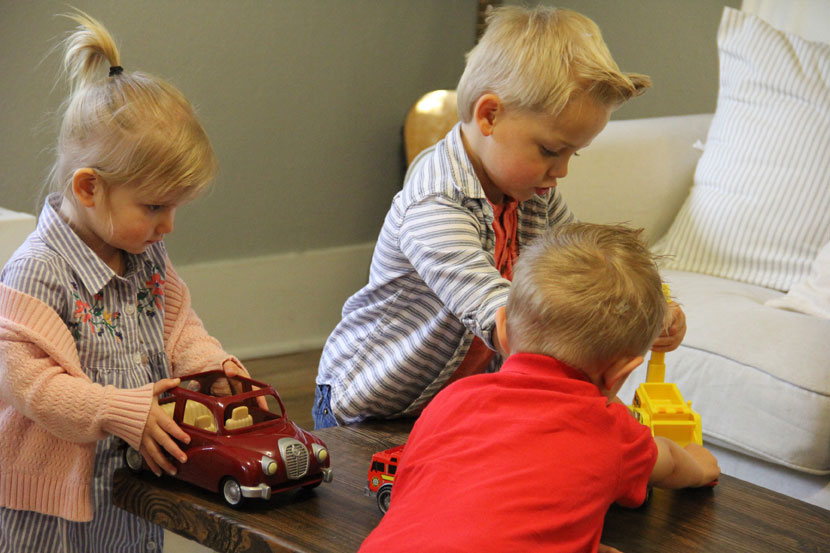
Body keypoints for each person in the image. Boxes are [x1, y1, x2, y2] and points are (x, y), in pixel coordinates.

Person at [314, 5, 686, 428]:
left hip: (449, 405)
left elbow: (584, 264)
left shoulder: (533, 194)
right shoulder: (435, 201)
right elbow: (492, 306)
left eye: (573, 154)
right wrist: (593, 338)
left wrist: (649, 308)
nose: (562, 171)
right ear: (490, 115)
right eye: (550, 150)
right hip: (370, 408)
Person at [0, 11, 249, 553]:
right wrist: (116, 410)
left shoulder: (144, 252)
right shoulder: (37, 270)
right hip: (56, 506)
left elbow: (179, 328)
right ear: (89, 188)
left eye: (175, 208)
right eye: (155, 207)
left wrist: (208, 366)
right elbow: (29, 384)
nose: (168, 225)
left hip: (131, 478)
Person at [358, 222, 721, 553]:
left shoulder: (450, 399)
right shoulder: (609, 428)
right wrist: (700, 467)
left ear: (502, 329)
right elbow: (669, 463)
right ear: (620, 372)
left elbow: (422, 497)